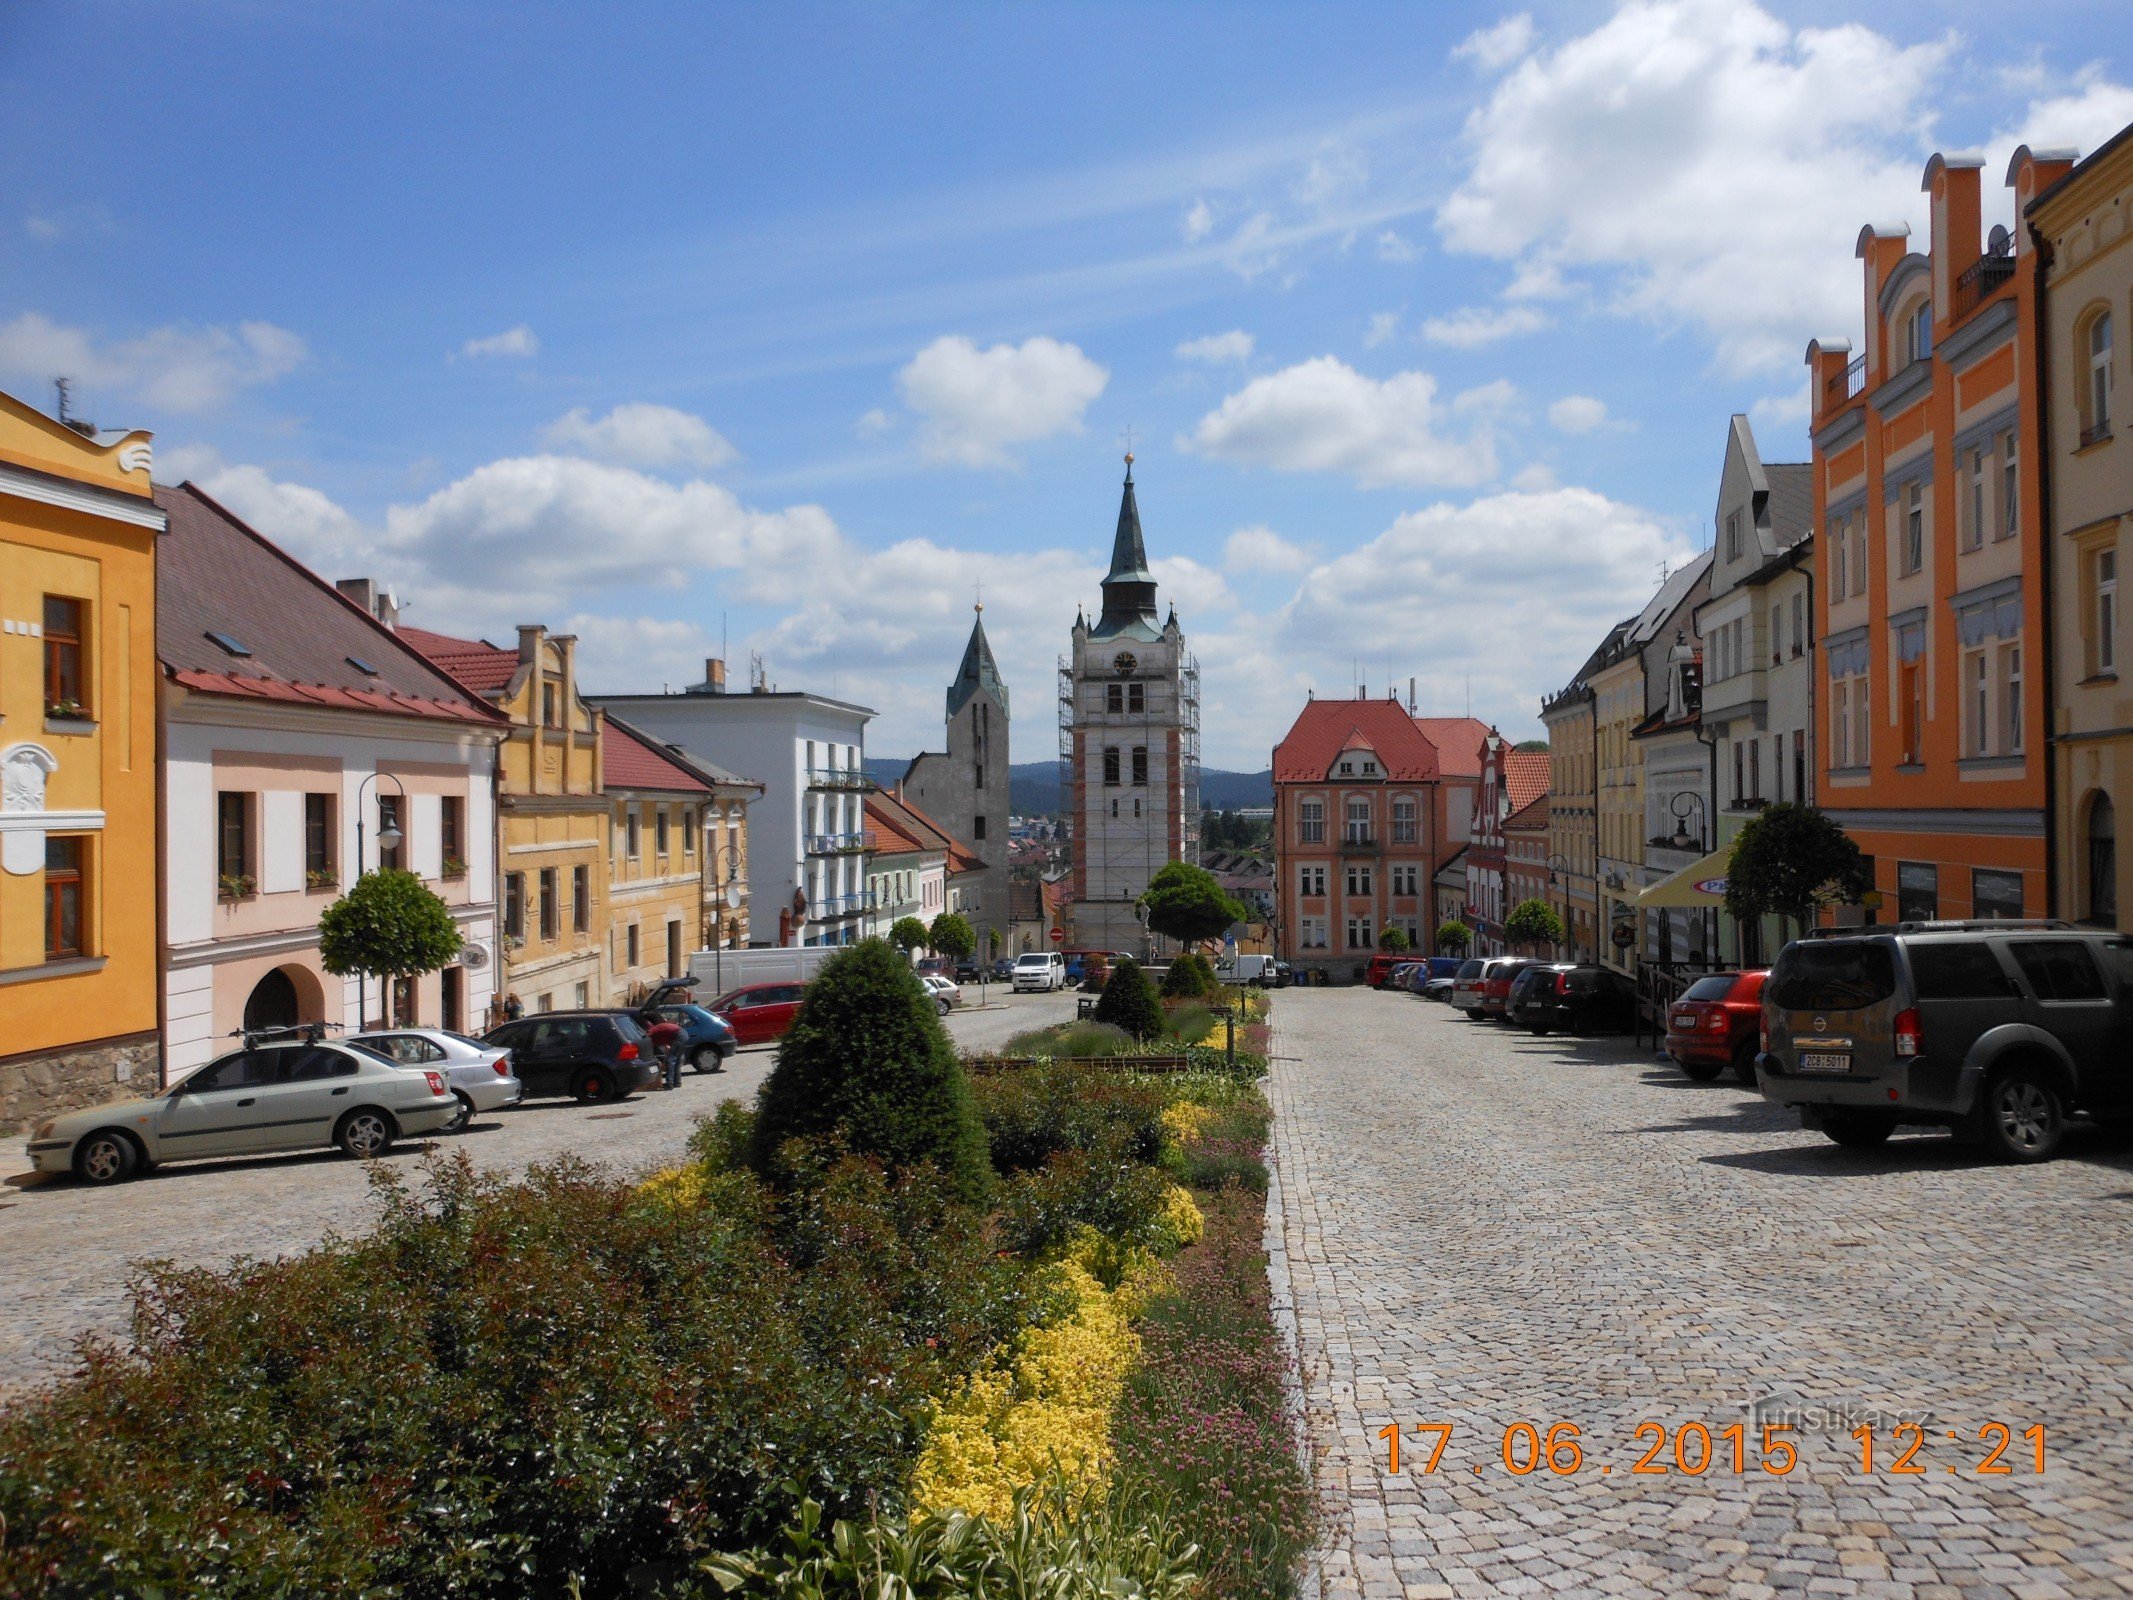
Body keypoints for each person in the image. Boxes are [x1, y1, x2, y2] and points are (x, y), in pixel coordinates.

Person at [648, 1013, 685, 1090]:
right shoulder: (658, 1030)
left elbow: (647, 1038)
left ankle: (669, 1084)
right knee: (677, 1061)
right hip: (682, 1035)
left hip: (678, 1036)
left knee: (670, 1060)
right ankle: (677, 1082)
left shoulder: (652, 1031)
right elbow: (665, 1045)